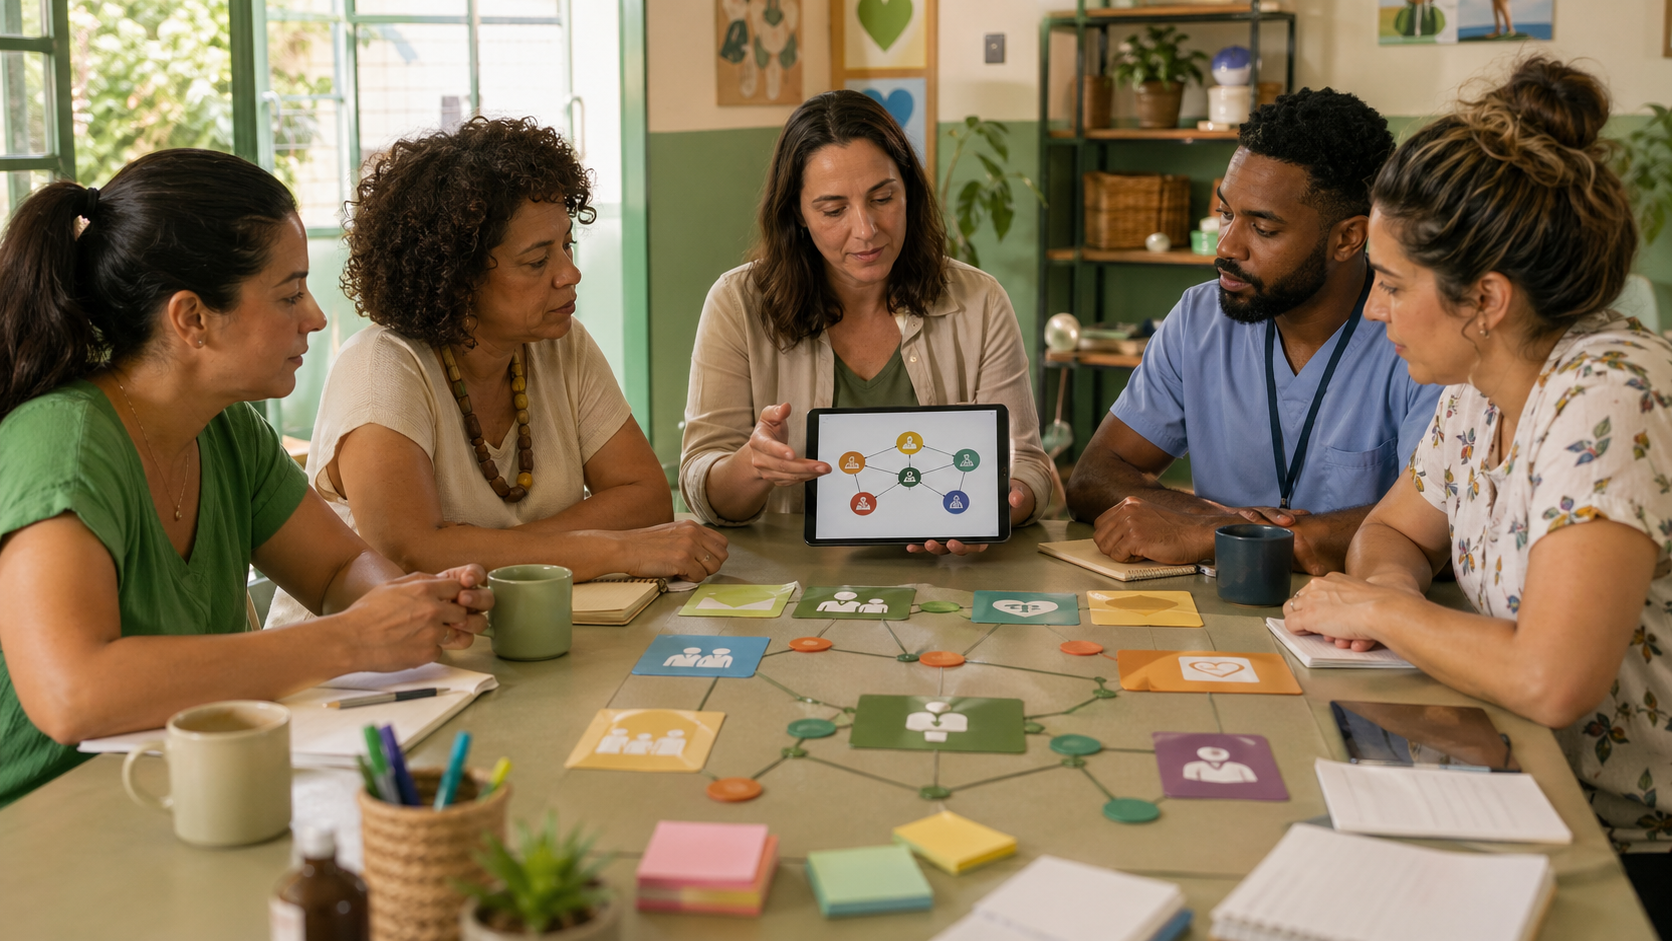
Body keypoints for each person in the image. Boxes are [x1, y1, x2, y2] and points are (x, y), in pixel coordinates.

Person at [1280, 58, 1672, 934]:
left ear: (1486, 298)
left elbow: (1550, 678)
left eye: (1391, 284)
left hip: (1635, 845)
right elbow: (1392, 530)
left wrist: (1382, 612)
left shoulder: (1609, 395)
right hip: (1526, 786)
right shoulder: (1479, 383)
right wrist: (1389, 592)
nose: (1373, 310)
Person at [0, 150, 492, 806]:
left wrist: (410, 606)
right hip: (47, 821)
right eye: (289, 295)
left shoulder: (229, 429)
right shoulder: (62, 445)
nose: (315, 316)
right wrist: (354, 639)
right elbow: (74, 694)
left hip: (188, 793)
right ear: (192, 318)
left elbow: (336, 570)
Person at [266, 118, 725, 628]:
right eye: (537, 261)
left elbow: (646, 496)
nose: (570, 273)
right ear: (455, 277)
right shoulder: (381, 366)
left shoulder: (561, 344)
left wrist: (480, 549)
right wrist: (614, 550)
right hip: (353, 664)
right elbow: (410, 555)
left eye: (567, 245)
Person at [1066, 89, 1440, 575]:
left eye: (1263, 229)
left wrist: (1215, 537)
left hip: (1360, 610)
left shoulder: (1419, 339)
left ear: (1349, 237)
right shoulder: (1200, 318)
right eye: (1226, 213)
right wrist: (1219, 523)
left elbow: (1440, 523)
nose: (1226, 247)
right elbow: (1094, 477)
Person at [679, 90, 1054, 555]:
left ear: (908, 191)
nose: (866, 229)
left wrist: (999, 508)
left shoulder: (980, 301)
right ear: (797, 213)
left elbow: (1027, 466)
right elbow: (702, 485)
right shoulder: (737, 303)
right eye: (833, 210)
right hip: (795, 580)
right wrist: (753, 466)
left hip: (949, 577)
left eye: (882, 198)